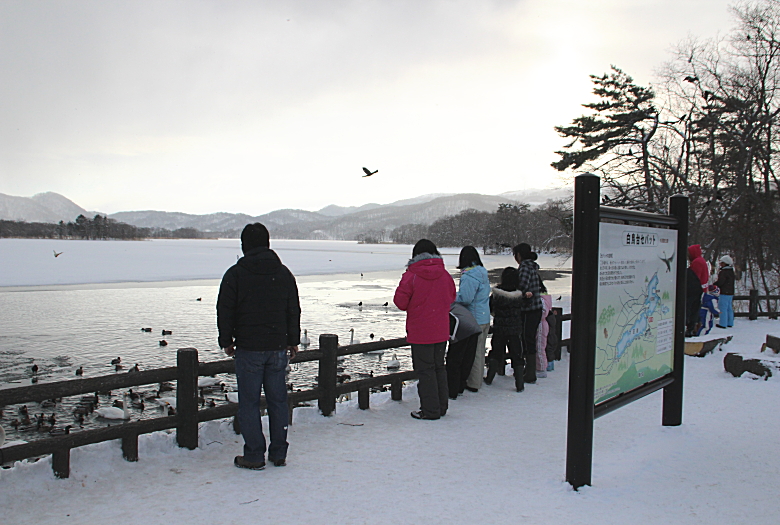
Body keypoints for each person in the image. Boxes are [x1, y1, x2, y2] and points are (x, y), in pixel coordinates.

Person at [217, 223, 301, 470]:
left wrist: (227, 341)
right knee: (277, 400)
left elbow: (225, 311)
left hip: (249, 348)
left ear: (244, 246)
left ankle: (254, 454)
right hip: (276, 348)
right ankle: (278, 452)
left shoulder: (235, 274)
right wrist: (292, 341)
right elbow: (293, 310)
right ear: (268, 243)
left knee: (249, 403)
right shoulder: (283, 273)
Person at [394, 239, 456, 420]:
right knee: (438, 368)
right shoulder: (444, 274)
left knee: (426, 371)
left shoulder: (411, 275)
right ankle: (441, 407)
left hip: (420, 332)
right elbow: (452, 297)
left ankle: (430, 410)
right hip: (441, 330)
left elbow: (400, 302)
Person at [456, 246, 491, 393]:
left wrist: (452, 297)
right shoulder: (482, 273)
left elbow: (466, 298)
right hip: (484, 316)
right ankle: (478, 379)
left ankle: (473, 383)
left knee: (475, 352)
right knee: (480, 350)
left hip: (474, 318)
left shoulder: (469, 277)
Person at [485, 267, 525, 391]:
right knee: (517, 354)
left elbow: (490, 308)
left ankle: (490, 377)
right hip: (515, 329)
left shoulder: (497, 294)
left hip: (500, 328)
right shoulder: (519, 294)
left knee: (496, 352)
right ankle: (519, 384)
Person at [514, 243, 544, 385]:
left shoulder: (525, 268)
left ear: (519, 255)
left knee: (527, 339)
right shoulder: (532, 266)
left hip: (529, 309)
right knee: (530, 338)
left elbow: (522, 287)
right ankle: (529, 370)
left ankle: (530, 372)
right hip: (536, 308)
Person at [446, 302, 482, 399]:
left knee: (454, 361)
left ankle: (452, 391)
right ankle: (460, 387)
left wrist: (452, 339)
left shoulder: (444, 306)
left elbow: (450, 323)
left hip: (462, 329)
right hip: (474, 329)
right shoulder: (455, 305)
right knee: (467, 360)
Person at [535, 288, 553, 378]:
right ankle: (540, 366)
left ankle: (541, 368)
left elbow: (543, 312)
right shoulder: (545, 297)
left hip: (540, 324)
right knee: (540, 346)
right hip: (540, 323)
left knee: (539, 346)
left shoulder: (541, 298)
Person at [714, 255, 735, 328]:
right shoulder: (731, 271)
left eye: (721, 262)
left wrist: (714, 284)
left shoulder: (723, 272)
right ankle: (730, 322)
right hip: (730, 292)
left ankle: (723, 323)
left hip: (724, 292)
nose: (720, 264)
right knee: (729, 308)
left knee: (722, 308)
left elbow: (721, 282)